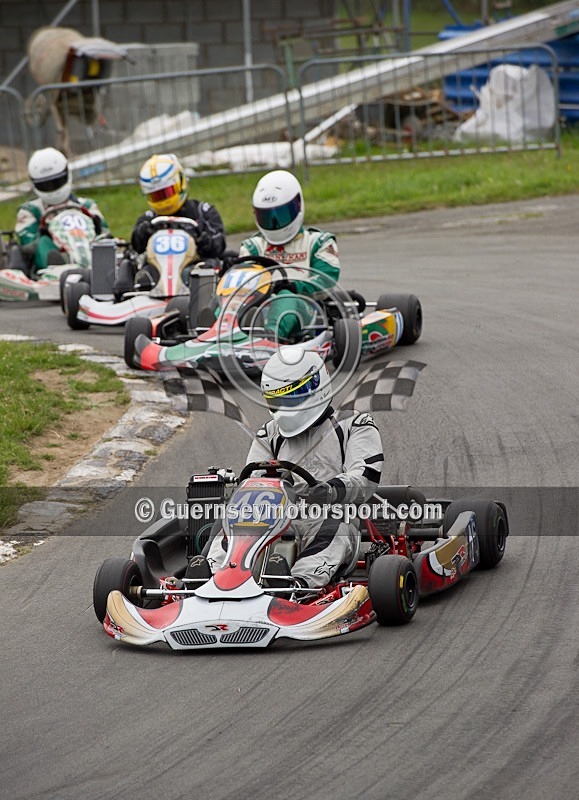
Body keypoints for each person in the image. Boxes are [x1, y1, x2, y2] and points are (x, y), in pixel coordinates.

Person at [206, 346, 384, 593]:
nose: (287, 406)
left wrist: (331, 490)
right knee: (230, 525)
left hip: (329, 516)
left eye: (293, 396)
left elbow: (365, 476)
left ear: (316, 387)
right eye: (279, 400)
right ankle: (214, 578)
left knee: (334, 529)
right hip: (279, 519)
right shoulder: (269, 434)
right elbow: (253, 480)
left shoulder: (354, 424)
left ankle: (298, 584)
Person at [238, 169, 340, 340]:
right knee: (235, 301)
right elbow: (242, 284)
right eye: (267, 216)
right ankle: (217, 334)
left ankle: (271, 338)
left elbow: (326, 280)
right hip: (259, 306)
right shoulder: (252, 246)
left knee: (285, 296)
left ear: (297, 206)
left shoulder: (318, 242)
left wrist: (295, 287)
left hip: (305, 307)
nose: (274, 222)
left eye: (281, 214)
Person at [14, 147, 109, 274]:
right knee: (43, 242)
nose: (52, 188)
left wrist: (96, 227)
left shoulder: (87, 206)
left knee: (101, 242)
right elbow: (28, 247)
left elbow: (106, 235)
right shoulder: (30, 211)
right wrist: (45, 233)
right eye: (46, 184)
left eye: (56, 181)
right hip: (52, 260)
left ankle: (102, 269)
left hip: (88, 250)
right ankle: (56, 270)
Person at [130, 153, 227, 261]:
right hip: (156, 272)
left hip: (195, 269)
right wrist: (141, 235)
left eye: (166, 193)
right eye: (156, 196)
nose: (163, 200)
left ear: (181, 182)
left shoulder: (203, 212)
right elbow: (135, 247)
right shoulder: (148, 220)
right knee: (127, 264)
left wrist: (206, 242)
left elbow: (219, 244)